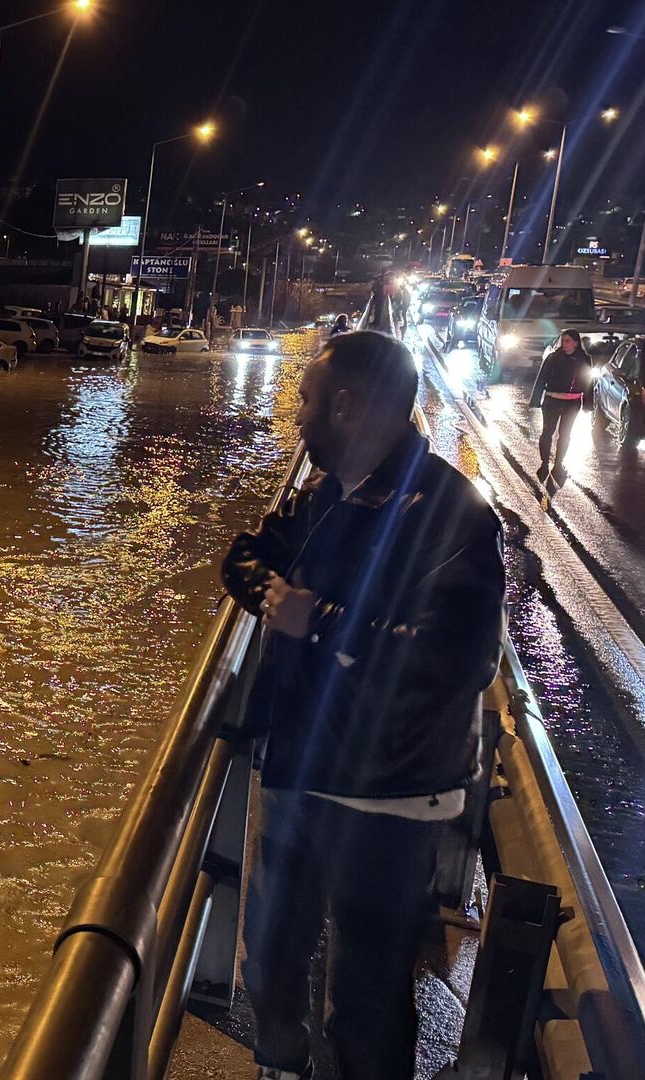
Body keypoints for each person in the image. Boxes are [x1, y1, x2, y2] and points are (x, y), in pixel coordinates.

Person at [221, 331, 504, 1080]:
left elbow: (458, 658)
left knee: (369, 998)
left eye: (308, 403)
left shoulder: (453, 515)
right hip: (301, 773)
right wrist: (280, 597)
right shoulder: (325, 495)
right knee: (270, 970)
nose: (299, 421)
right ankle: (282, 1067)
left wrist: (316, 621)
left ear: (346, 407)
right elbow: (243, 556)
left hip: (389, 796)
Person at [531, 328, 594, 484]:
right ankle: (544, 463)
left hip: (573, 403)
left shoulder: (584, 359)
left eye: (567, 341)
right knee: (547, 432)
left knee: (565, 434)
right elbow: (541, 379)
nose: (564, 344)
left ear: (576, 343)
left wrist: (588, 404)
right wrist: (535, 400)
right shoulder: (553, 358)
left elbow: (588, 383)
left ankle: (558, 465)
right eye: (562, 341)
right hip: (552, 400)